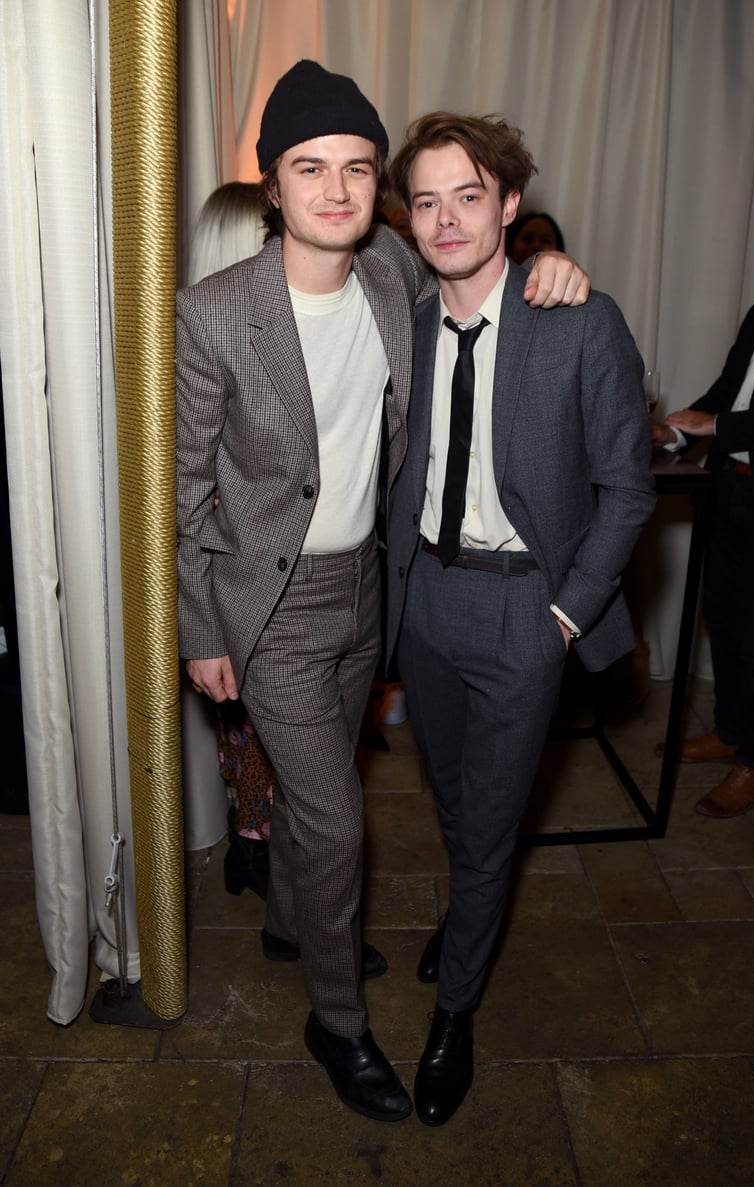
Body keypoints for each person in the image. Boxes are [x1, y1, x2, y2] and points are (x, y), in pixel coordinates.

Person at [177, 59, 589, 1124]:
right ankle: (337, 1023)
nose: (336, 190)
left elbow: (485, 275)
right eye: (309, 169)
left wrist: (554, 268)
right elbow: (176, 493)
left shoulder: (388, 276)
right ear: (271, 185)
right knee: (340, 820)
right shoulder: (216, 315)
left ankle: (288, 921)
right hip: (269, 607)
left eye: (359, 168)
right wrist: (202, 625)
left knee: (324, 814)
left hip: (371, 590)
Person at [386, 111, 655, 1126]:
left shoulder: (579, 320)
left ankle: (456, 1011)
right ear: (407, 221)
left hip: (525, 611)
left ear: (507, 204)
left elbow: (627, 491)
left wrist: (564, 617)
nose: (448, 218)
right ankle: (466, 918)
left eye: (468, 195)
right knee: (452, 801)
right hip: (428, 602)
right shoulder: (406, 323)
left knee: (492, 827)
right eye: (426, 200)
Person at [651, 180, 754, 819]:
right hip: (729, 492)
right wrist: (677, 429)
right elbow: (730, 390)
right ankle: (732, 730)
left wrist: (718, 427)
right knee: (724, 619)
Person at [187, 181, 275, 903]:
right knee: (264, 726)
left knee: (243, 725)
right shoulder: (215, 335)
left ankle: (251, 846)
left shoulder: (192, 331)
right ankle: (260, 852)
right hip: (243, 575)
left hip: (220, 579)